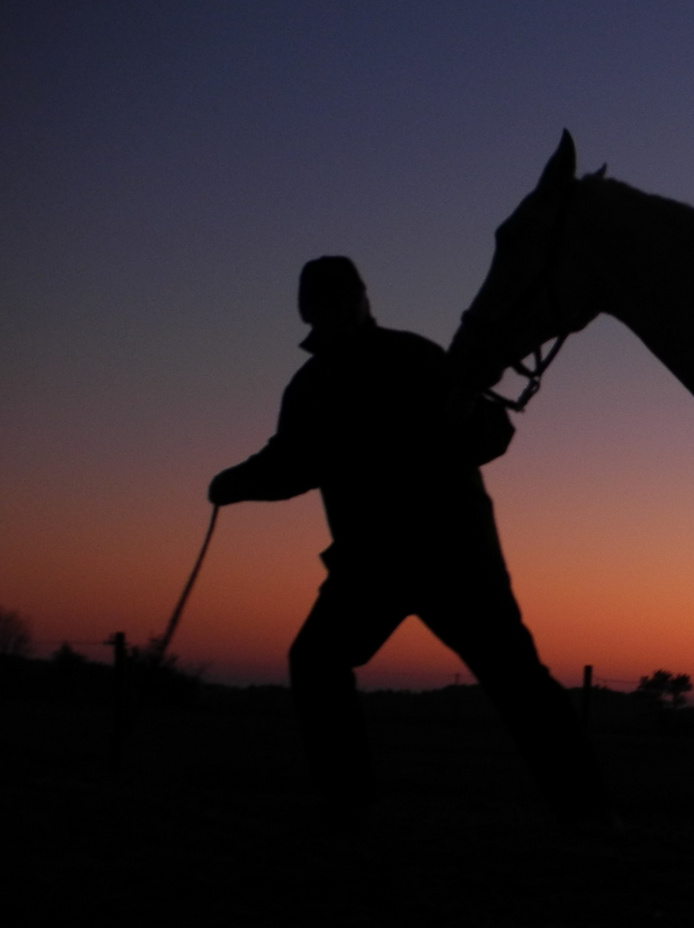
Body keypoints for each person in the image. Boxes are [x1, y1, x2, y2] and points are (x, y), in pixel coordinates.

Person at [210, 256, 608, 833]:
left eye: (350, 296)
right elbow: (291, 462)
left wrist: (469, 423)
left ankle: (590, 812)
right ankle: (347, 803)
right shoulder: (311, 386)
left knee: (515, 677)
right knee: (317, 660)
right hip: (370, 563)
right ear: (307, 310)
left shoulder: (419, 356)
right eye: (328, 300)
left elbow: (494, 433)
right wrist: (237, 482)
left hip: (455, 557)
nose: (342, 307)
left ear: (365, 298)